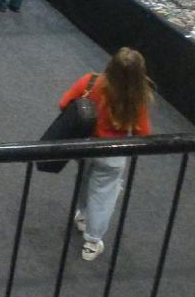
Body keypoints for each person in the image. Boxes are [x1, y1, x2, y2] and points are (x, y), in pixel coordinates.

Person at [62, 48, 152, 261]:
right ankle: (92, 242)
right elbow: (144, 133)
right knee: (103, 195)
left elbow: (64, 103)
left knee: (84, 181)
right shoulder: (137, 98)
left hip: (85, 146)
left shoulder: (90, 82)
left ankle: (82, 216)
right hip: (113, 153)